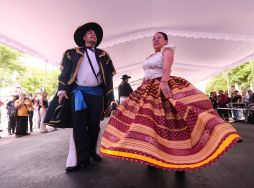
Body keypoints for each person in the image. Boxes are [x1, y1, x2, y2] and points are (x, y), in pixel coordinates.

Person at [100, 32, 241, 171]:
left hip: (162, 85)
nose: (155, 40)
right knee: (149, 123)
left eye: (159, 38)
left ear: (166, 41)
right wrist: (141, 88)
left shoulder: (167, 50)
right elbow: (147, 75)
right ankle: (151, 155)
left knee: (173, 121)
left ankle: (180, 159)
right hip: (148, 88)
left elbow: (167, 66)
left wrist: (164, 82)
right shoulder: (149, 56)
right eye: (153, 39)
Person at [44, 22, 116, 172]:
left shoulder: (103, 55)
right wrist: (62, 90)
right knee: (79, 127)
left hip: (97, 95)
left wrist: (110, 98)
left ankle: (92, 152)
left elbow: (108, 78)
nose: (93, 35)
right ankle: (80, 159)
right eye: (90, 33)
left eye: (95, 33)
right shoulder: (72, 53)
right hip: (79, 94)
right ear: (83, 37)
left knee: (94, 126)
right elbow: (64, 74)